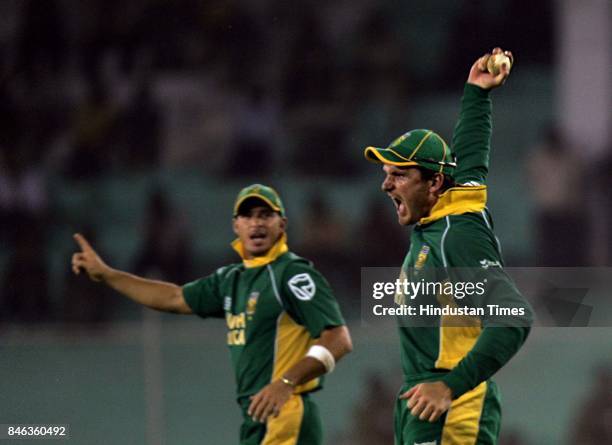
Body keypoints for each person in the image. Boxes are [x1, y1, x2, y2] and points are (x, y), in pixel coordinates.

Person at [71, 183, 352, 445]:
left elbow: (338, 338)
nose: (256, 222)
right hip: (257, 417)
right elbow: (173, 297)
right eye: (247, 215)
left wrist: (286, 382)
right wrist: (108, 275)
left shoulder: (291, 274)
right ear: (235, 225)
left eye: (266, 214)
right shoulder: (231, 280)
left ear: (282, 224)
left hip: (287, 415)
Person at [363, 48, 533, 444]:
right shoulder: (449, 209)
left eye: (399, 175)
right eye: (387, 174)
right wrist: (477, 93)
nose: (386, 185)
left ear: (434, 184)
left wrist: (450, 386)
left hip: (452, 407)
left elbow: (513, 317)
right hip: (426, 402)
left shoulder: (456, 237)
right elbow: (470, 161)